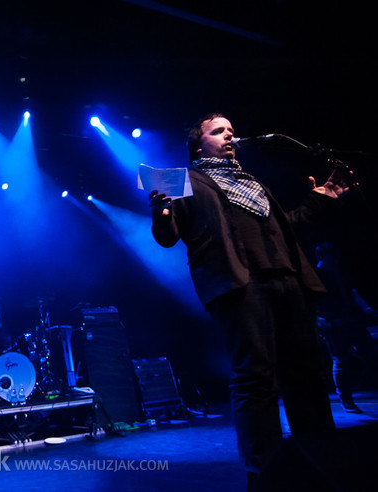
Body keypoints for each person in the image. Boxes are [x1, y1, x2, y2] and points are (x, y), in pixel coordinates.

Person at [148, 113, 346, 485]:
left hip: (287, 279)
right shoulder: (185, 179)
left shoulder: (251, 183)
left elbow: (288, 225)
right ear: (197, 144)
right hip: (239, 284)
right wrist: (160, 212)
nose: (229, 136)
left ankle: (320, 453)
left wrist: (321, 199)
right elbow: (168, 235)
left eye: (232, 131)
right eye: (219, 131)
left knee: (306, 374)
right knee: (255, 377)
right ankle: (265, 469)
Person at [314, 242, 378, 413]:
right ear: (322, 257)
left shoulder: (339, 274)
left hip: (352, 321)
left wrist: (366, 309)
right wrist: (321, 321)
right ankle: (346, 399)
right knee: (341, 362)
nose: (335, 261)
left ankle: (353, 394)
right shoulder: (315, 277)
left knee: (372, 355)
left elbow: (353, 293)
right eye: (332, 257)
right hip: (333, 326)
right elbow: (309, 304)